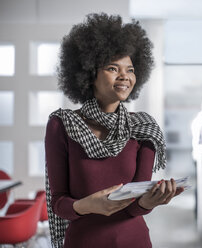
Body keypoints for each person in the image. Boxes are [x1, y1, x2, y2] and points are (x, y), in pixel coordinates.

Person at [45, 13, 183, 248]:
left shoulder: (143, 128)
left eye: (130, 70)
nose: (124, 77)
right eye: (112, 68)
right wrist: (88, 205)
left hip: (134, 241)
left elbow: (135, 207)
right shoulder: (62, 124)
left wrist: (151, 201)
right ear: (89, 73)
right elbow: (58, 203)